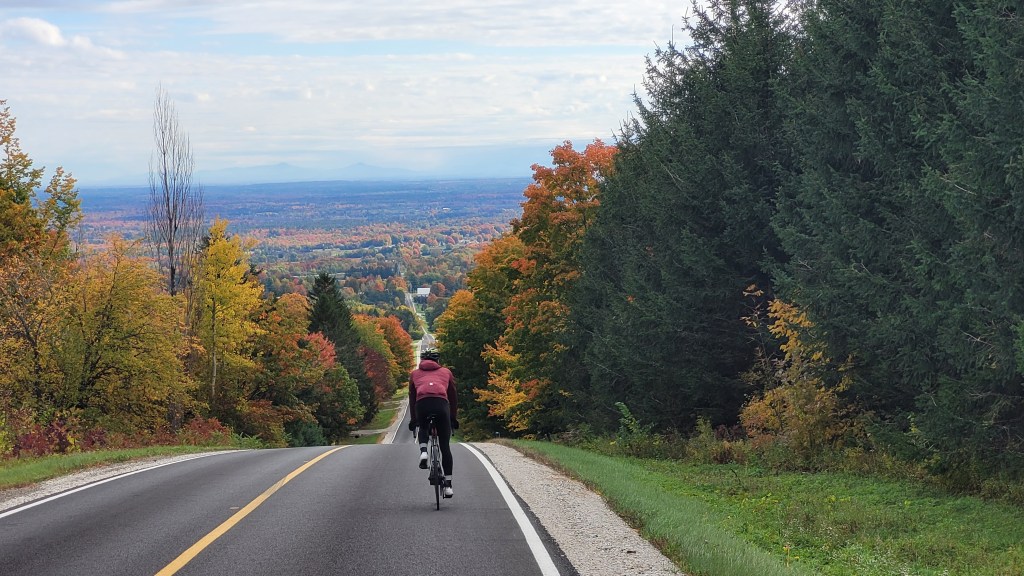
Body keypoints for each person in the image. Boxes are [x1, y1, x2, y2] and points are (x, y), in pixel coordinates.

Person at [407, 347, 459, 497]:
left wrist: (414, 419)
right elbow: (453, 396)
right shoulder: (446, 372)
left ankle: (424, 452)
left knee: (423, 426)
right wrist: (453, 418)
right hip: (441, 404)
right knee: (445, 447)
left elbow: (412, 398)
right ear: (438, 361)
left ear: (422, 361)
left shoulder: (415, 374)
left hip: (422, 404)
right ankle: (448, 486)